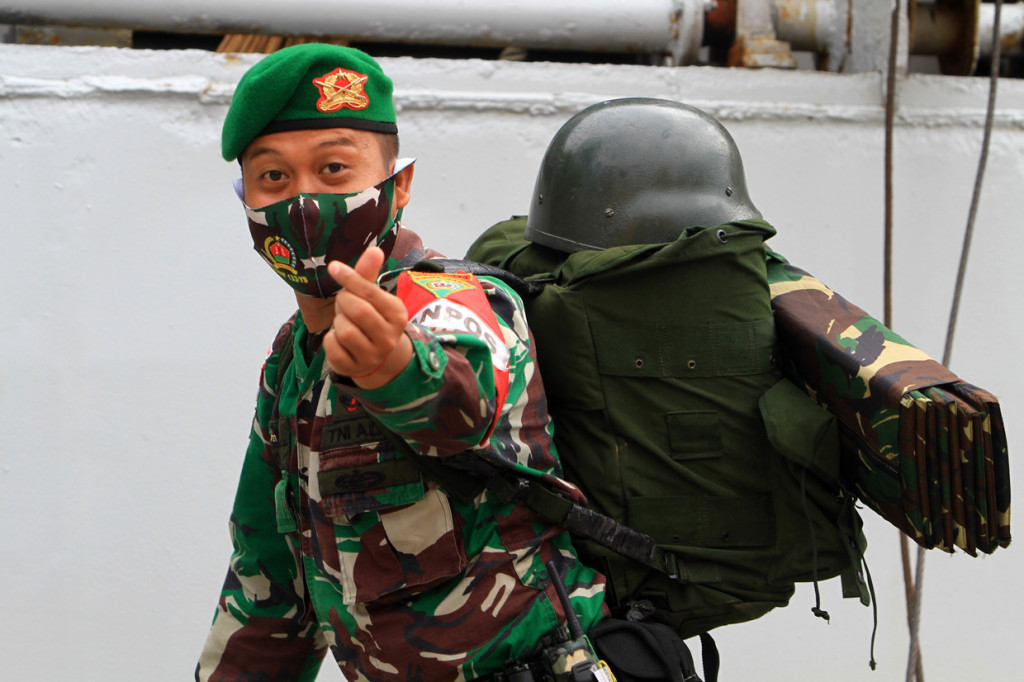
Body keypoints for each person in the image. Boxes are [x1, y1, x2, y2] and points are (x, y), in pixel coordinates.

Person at [196, 43, 606, 682]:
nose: (302, 202)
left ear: (400, 184)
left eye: (334, 169)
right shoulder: (290, 364)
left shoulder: (456, 302)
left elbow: (464, 400)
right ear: (245, 200)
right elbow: (268, 575)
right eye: (272, 177)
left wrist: (395, 370)